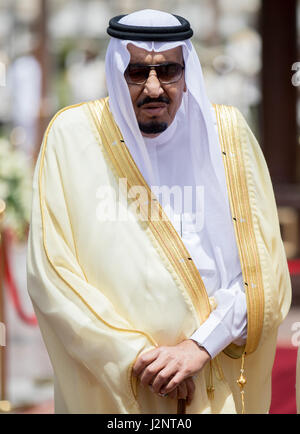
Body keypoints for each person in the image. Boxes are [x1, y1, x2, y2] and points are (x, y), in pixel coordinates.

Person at [27, 9, 291, 414]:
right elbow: (53, 275)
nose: (153, 88)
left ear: (187, 73)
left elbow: (265, 275)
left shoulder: (228, 135)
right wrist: (136, 359)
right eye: (136, 72)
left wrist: (200, 346)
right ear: (116, 72)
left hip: (209, 377)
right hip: (113, 390)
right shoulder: (71, 137)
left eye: (168, 71)